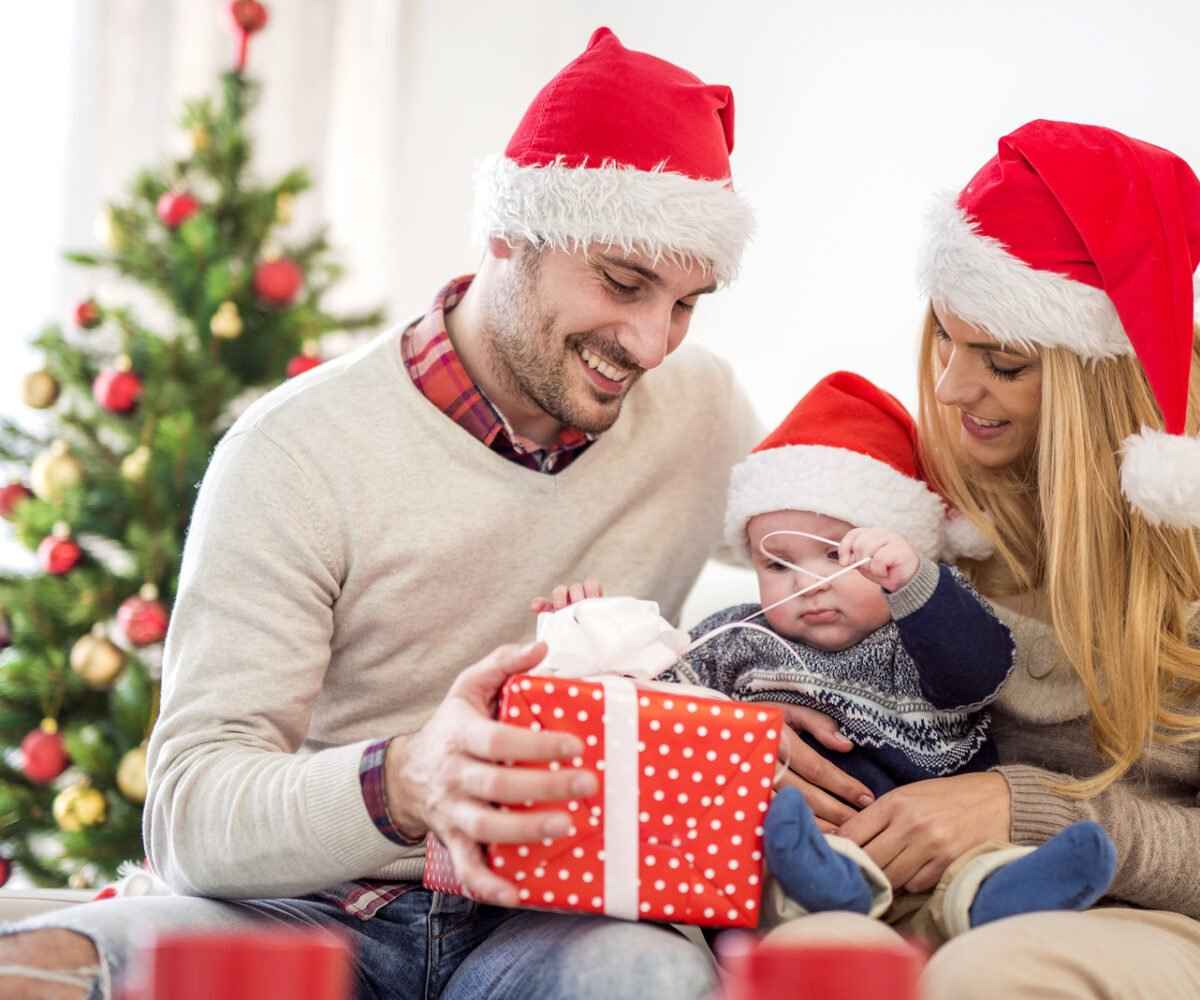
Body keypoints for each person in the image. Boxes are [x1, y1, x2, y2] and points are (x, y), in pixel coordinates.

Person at [0, 28, 872, 1000]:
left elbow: (844, 553)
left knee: (646, 975)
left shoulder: (700, 413)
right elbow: (192, 812)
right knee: (65, 965)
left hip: (558, 920)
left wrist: (760, 713)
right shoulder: (298, 450)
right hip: (312, 906)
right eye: (624, 283)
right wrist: (408, 779)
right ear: (510, 231)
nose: (651, 342)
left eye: (686, 304)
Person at [762, 120, 1200, 998]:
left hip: (1139, 914)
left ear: (1101, 378)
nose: (956, 388)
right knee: (798, 953)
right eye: (948, 343)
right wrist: (771, 732)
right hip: (917, 891)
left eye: (1004, 362)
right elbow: (794, 626)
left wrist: (1022, 805)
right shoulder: (925, 500)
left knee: (979, 977)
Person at [538, 369, 1117, 938]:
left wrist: (916, 582)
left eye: (839, 554)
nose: (807, 584)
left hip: (931, 847)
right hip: (792, 849)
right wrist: (593, 636)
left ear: (900, 551)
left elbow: (982, 670)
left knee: (974, 873)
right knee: (770, 856)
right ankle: (828, 889)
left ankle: (1005, 894)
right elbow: (661, 708)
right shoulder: (738, 637)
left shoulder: (920, 627)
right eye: (777, 563)